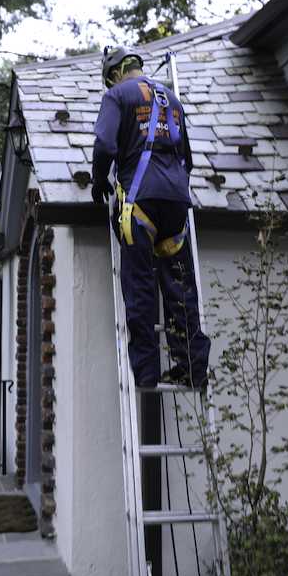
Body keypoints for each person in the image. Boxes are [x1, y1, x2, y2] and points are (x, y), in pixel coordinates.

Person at [91, 46, 211, 389]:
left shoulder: (117, 95)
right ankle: (192, 366)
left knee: (141, 284)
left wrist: (100, 181)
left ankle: (145, 372)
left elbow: (104, 146)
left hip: (139, 204)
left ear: (113, 74)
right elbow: (187, 157)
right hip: (175, 205)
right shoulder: (172, 99)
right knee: (181, 288)